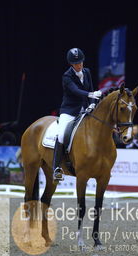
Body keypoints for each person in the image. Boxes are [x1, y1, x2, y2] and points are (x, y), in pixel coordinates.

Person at [52, 48, 102, 181]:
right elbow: (75, 90)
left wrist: (92, 103)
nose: (79, 65)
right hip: (69, 111)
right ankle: (56, 168)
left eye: (80, 62)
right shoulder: (67, 76)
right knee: (62, 134)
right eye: (76, 64)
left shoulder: (87, 72)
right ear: (71, 64)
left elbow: (91, 88)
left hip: (85, 109)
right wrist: (90, 95)